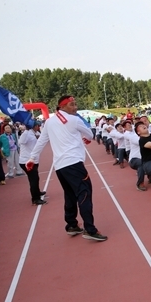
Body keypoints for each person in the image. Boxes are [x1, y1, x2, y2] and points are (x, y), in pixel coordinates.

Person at [27, 95, 107, 241]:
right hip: (74, 164)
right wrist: (87, 139)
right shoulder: (74, 120)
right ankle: (89, 229)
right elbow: (89, 133)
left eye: (75, 104)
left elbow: (41, 142)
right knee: (84, 194)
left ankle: (71, 224)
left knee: (70, 194)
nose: (75, 107)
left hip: (60, 167)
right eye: (72, 104)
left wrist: (32, 158)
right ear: (62, 106)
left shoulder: (49, 122)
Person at [19, 121, 47, 205]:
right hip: (26, 161)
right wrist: (26, 130)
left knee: (35, 178)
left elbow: (40, 136)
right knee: (33, 179)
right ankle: (35, 199)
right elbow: (21, 142)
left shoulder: (34, 132)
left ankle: (37, 192)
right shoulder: (26, 133)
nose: (38, 127)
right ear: (34, 126)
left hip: (33, 160)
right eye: (37, 126)